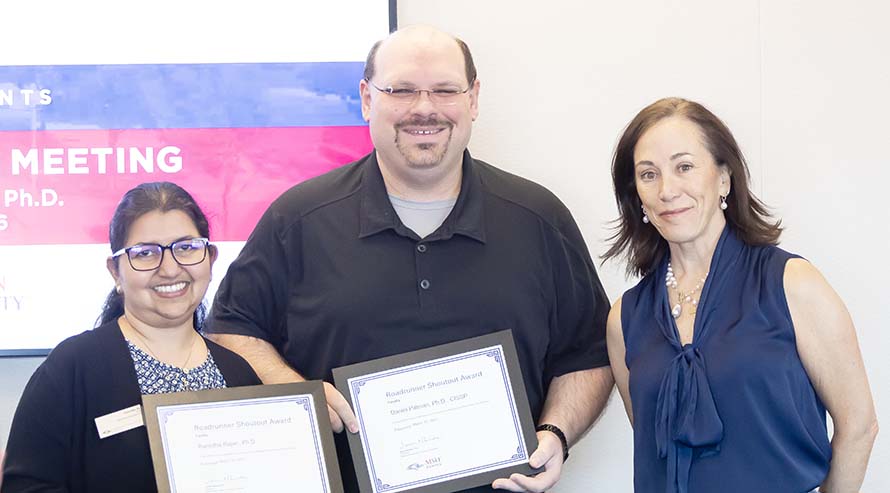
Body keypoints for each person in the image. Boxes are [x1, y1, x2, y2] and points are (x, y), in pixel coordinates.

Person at [205, 25, 613, 493]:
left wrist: (556, 433)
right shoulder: (297, 219)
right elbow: (232, 329)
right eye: (400, 90)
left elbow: (588, 352)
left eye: (444, 90)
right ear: (366, 98)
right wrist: (297, 393)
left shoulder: (538, 218)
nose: (424, 108)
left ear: (473, 99)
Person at [603, 97, 878, 492]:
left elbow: (859, 425)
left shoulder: (792, 284)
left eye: (684, 167)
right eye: (649, 174)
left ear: (724, 178)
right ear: (637, 195)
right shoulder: (624, 320)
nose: (667, 190)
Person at [1, 182, 261, 492]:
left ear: (210, 258)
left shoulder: (239, 374)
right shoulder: (72, 368)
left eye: (186, 248)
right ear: (115, 271)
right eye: (146, 253)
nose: (169, 269)